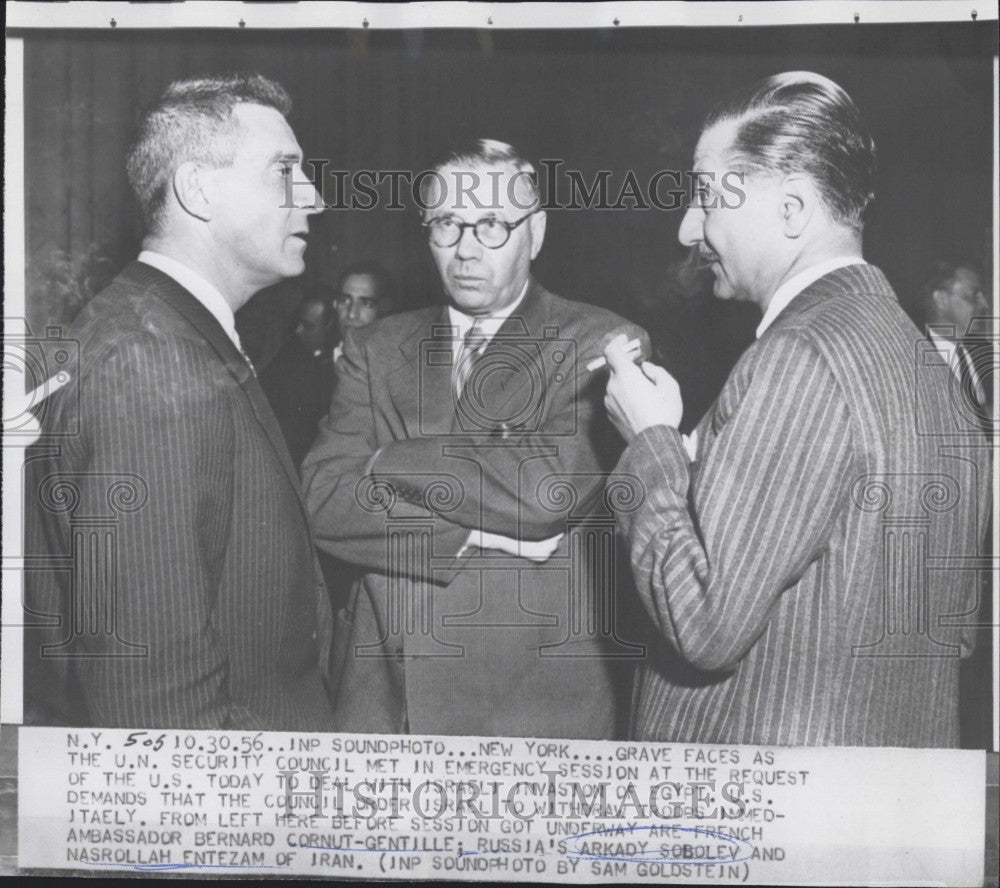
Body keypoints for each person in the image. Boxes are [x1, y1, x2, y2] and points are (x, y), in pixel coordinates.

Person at [601, 72, 991, 746]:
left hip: (773, 818)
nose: (687, 226)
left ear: (791, 211)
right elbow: (953, 631)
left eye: (705, 196)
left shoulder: (798, 357)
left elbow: (706, 622)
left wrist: (652, 438)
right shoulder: (934, 372)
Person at [302, 139, 648, 737]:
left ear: (535, 234)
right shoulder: (376, 346)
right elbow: (322, 499)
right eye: (446, 225)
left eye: (491, 225)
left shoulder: (602, 341)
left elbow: (544, 495)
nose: (465, 250)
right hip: (382, 702)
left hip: (530, 708)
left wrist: (384, 461)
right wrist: (471, 529)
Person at [23, 74, 337, 730]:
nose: (313, 194)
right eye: (285, 170)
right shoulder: (150, 358)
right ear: (197, 189)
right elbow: (160, 712)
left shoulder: (161, 330)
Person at [260, 284, 340, 468]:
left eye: (308, 326)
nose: (298, 331)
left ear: (330, 325)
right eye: (299, 322)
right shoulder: (289, 356)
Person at [919, 259, 992, 428]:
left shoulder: (987, 352)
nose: (984, 305)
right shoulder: (911, 358)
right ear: (941, 299)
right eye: (972, 296)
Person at [332, 261, 392, 362]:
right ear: (335, 304)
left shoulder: (395, 364)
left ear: (384, 308)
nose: (351, 314)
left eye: (366, 303)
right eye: (344, 300)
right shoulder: (314, 363)